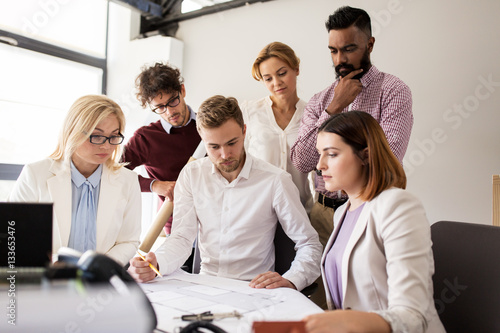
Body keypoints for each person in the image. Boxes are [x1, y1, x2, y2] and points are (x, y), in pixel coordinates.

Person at [128, 95, 322, 291]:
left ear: (244, 131)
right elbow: (181, 238)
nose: (225, 155)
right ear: (203, 140)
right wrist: (157, 263)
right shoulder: (192, 174)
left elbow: (310, 244)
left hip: (254, 289)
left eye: (232, 143)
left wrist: (292, 279)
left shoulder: (276, 180)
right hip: (205, 286)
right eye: (214, 147)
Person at [303, 111, 445, 333]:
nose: (320, 164)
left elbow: (413, 316)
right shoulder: (342, 213)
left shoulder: (398, 205)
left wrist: (346, 323)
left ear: (365, 155)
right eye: (319, 153)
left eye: (331, 154)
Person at [291, 6, 413, 250]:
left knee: (369, 288)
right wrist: (334, 108)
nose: (340, 60)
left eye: (349, 49)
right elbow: (302, 162)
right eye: (333, 51)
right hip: (323, 216)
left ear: (369, 44)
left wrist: (329, 156)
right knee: (324, 288)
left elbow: (385, 161)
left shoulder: (393, 91)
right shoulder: (320, 101)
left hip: (373, 211)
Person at [9, 95, 141, 265]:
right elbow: (14, 237)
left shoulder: (128, 181)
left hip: (99, 283)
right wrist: (57, 264)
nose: (106, 146)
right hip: (48, 279)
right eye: (97, 136)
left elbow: (128, 241)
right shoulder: (35, 174)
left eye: (114, 136)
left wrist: (99, 267)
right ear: (73, 132)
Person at [122, 62, 202, 234]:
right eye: (160, 107)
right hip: (176, 227)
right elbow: (114, 173)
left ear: (182, 90)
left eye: (173, 101)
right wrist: (154, 185)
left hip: (218, 220)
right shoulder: (145, 138)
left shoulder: (209, 125)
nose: (169, 112)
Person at [241, 41, 313, 212]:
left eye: (282, 73)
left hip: (300, 211)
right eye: (268, 78)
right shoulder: (249, 112)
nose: (276, 82)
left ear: (296, 69)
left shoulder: (311, 114)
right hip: (259, 210)